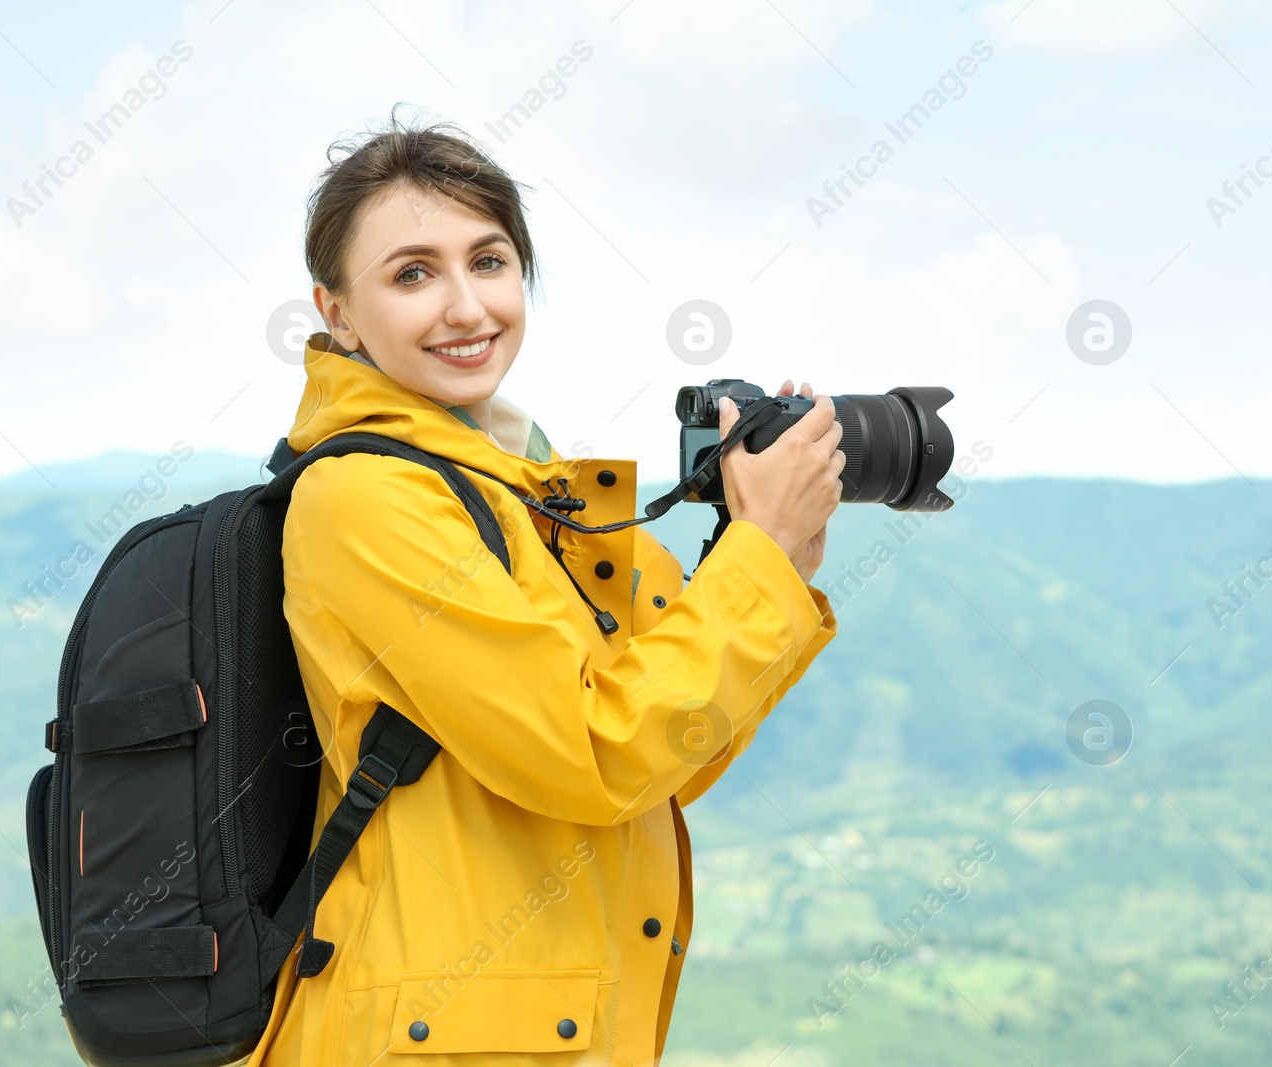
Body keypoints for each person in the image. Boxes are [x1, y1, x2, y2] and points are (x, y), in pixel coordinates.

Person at [245, 110, 844, 1066]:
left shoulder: (522, 479)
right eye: (412, 273)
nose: (466, 306)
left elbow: (669, 757)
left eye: (489, 261)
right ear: (337, 312)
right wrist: (758, 558)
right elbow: (596, 752)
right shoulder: (365, 496)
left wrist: (772, 555)